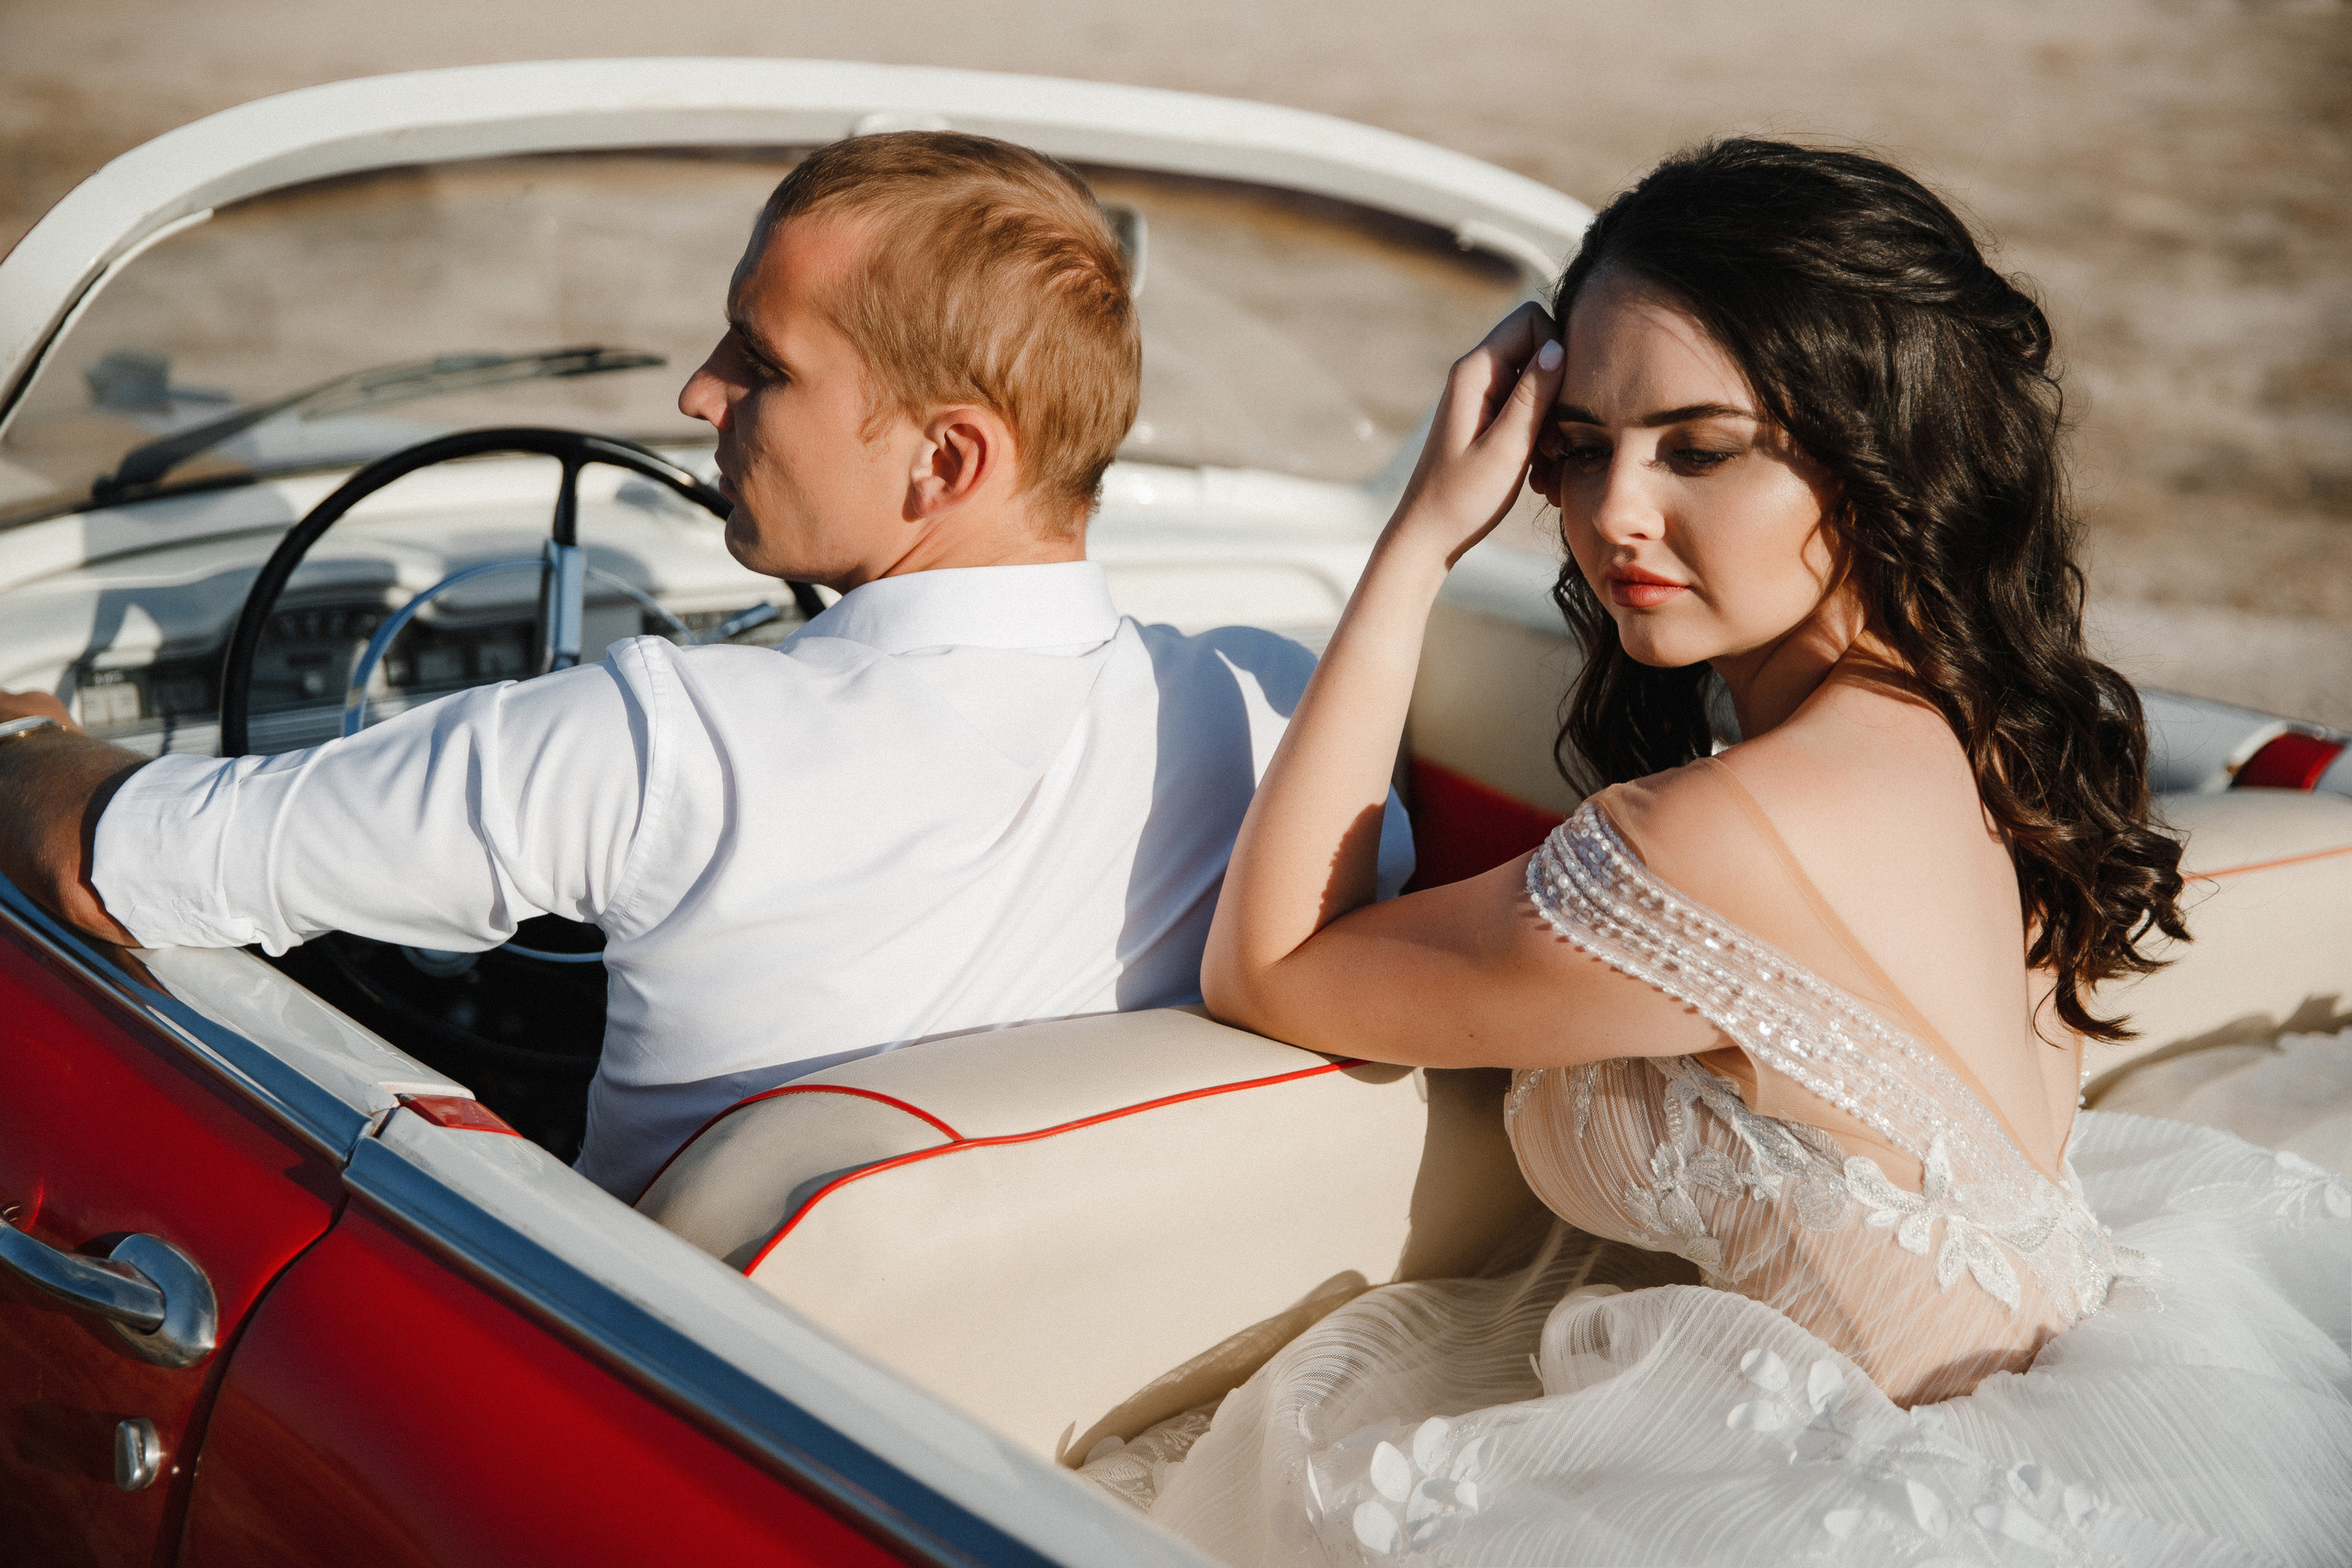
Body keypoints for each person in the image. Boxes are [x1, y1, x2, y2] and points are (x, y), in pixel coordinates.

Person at [1084, 141, 2350, 1566]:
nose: (1614, 511)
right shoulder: (1987, 731)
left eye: (1699, 449)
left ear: (1875, 453)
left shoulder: (1701, 841)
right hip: (2081, 1421)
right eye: (1583, 446)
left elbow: (1267, 967)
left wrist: (1419, 541)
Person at [0, 130, 1411, 1200]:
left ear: (947, 458)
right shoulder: (1279, 714)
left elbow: (120, 865)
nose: (698, 391)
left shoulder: (664, 740)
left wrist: (31, 743)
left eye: (763, 359)